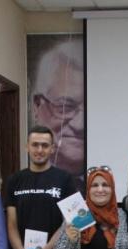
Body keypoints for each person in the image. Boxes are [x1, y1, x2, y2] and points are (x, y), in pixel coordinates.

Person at [31, 40, 85, 185]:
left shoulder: (100, 186)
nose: (80, 125)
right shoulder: (23, 182)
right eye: (66, 107)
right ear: (37, 106)